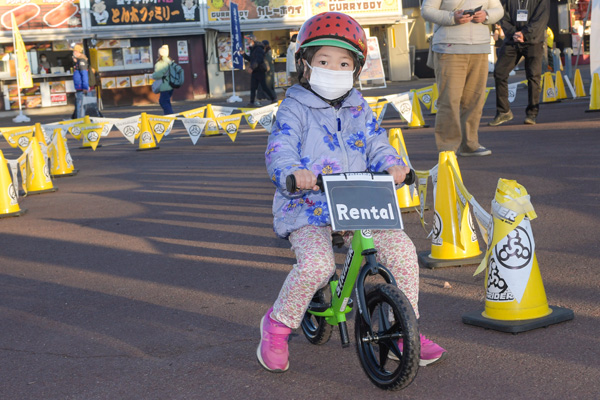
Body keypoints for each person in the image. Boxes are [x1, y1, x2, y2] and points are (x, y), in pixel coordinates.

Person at [259, 11, 447, 373]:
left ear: (356, 69)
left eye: (344, 62)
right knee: (317, 265)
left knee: (402, 251)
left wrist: (394, 164)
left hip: (357, 200)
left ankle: (405, 329)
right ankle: (278, 325)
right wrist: (292, 173)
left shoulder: (360, 106)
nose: (334, 68)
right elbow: (280, 146)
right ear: (305, 64)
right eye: (324, 60)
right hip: (309, 204)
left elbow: (377, 143)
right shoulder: (294, 107)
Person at [422, 0, 504, 157]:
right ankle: (447, 147)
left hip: (480, 47)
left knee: (475, 98)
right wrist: (453, 17)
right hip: (449, 47)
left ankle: (470, 143)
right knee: (449, 99)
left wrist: (486, 15)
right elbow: (426, 10)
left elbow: (498, 9)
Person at [489, 0, 549, 126]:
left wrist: (525, 33)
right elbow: (502, 15)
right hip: (512, 40)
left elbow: (541, 18)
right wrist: (513, 33)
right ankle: (503, 112)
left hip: (533, 40)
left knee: (533, 76)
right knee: (500, 72)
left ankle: (532, 114)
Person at [241, 35, 277, 107]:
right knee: (253, 87)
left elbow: (258, 60)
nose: (247, 41)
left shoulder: (258, 49)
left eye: (248, 40)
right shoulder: (253, 49)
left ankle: (273, 98)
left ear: (252, 40)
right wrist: (244, 55)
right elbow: (251, 59)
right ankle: (251, 102)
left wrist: (252, 67)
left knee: (264, 86)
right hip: (255, 71)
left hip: (260, 71)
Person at [152, 45, 174, 115]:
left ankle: (169, 116)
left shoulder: (160, 63)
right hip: (171, 84)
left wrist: (152, 76)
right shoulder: (170, 62)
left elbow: (158, 75)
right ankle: (170, 114)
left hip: (164, 85)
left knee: (163, 101)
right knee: (166, 101)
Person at [72, 44, 89, 119]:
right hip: (79, 86)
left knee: (80, 104)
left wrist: (85, 86)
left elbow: (84, 74)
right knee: (79, 103)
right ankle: (80, 118)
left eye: (75, 51)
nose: (74, 53)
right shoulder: (79, 61)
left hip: (81, 86)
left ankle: (80, 119)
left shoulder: (81, 61)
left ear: (79, 52)